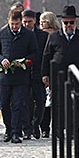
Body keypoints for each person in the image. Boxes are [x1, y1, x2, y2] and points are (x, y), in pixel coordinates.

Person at [41, 5, 79, 135]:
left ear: (75, 22)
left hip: (76, 76)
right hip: (58, 76)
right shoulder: (54, 37)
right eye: (66, 22)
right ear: (61, 23)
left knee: (74, 104)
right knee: (58, 104)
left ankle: (73, 129)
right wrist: (45, 74)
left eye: (71, 22)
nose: (68, 25)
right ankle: (58, 130)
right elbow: (46, 56)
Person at [0, 9, 38, 143]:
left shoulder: (28, 35)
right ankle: (9, 129)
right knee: (5, 104)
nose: (14, 27)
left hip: (21, 77)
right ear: (8, 21)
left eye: (17, 24)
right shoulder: (1, 33)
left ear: (20, 23)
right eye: (12, 24)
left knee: (17, 104)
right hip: (5, 77)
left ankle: (16, 132)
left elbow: (35, 53)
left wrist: (24, 62)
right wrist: (1, 59)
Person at [22, 10, 48, 139]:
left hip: (38, 72)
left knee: (40, 101)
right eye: (24, 22)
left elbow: (46, 55)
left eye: (29, 22)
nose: (27, 24)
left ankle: (35, 124)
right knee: (25, 101)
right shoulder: (19, 35)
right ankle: (26, 127)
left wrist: (46, 73)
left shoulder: (43, 36)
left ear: (34, 21)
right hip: (23, 73)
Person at [39, 11, 61, 137]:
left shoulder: (56, 35)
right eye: (41, 21)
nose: (42, 23)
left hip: (56, 70)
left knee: (56, 102)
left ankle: (56, 127)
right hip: (45, 70)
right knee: (46, 101)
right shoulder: (38, 34)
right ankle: (45, 127)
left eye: (45, 21)